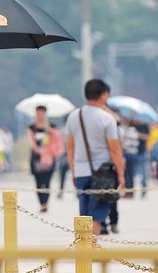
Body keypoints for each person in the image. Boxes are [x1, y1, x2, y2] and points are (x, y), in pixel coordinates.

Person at [66, 79, 124, 236]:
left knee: (84, 214)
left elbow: (70, 147)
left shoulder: (73, 117)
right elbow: (115, 149)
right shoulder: (106, 118)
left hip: (80, 171)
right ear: (103, 95)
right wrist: (120, 174)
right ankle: (90, 249)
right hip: (103, 172)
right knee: (96, 217)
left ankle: (83, 251)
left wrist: (73, 170)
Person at [27, 105, 64, 212]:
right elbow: (30, 141)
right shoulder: (32, 127)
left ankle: (45, 202)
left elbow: (57, 139)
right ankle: (41, 202)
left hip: (49, 157)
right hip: (37, 157)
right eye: (38, 112)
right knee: (38, 182)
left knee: (47, 181)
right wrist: (37, 149)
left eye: (42, 112)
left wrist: (49, 130)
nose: (40, 114)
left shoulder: (52, 126)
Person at [120, 118, 140, 199]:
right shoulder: (135, 132)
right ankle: (130, 192)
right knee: (130, 174)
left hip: (129, 155)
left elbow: (126, 145)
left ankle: (128, 192)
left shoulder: (130, 132)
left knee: (128, 175)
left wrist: (121, 142)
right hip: (133, 154)